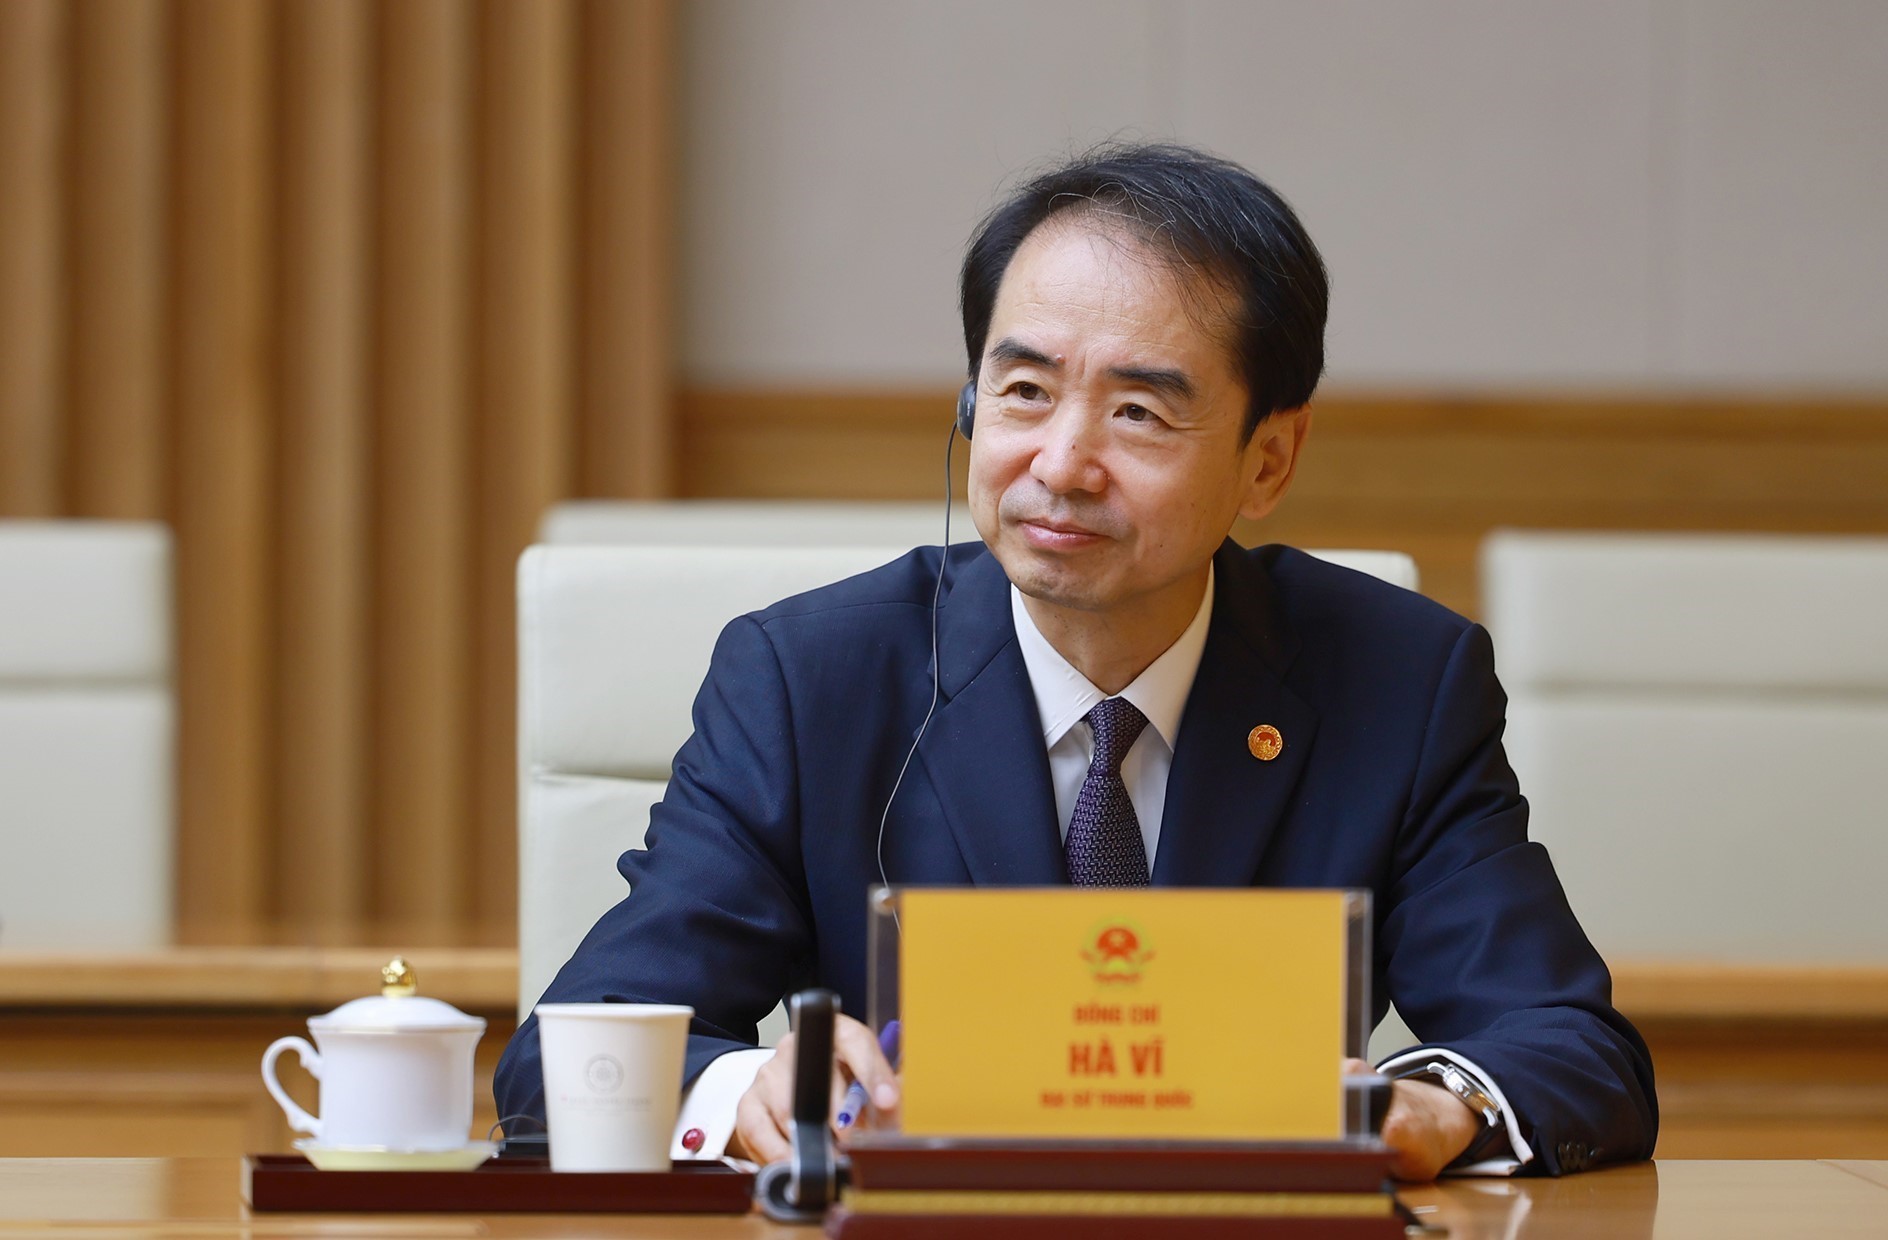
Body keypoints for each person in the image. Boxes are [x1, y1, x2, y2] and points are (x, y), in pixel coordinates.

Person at [494, 143, 1658, 1180]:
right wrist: (745, 1085)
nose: (1060, 463)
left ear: (1267, 459)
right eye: (1023, 392)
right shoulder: (808, 682)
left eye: (1138, 413)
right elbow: (563, 1059)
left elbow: (1571, 1048)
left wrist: (1434, 1109)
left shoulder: (1398, 681)